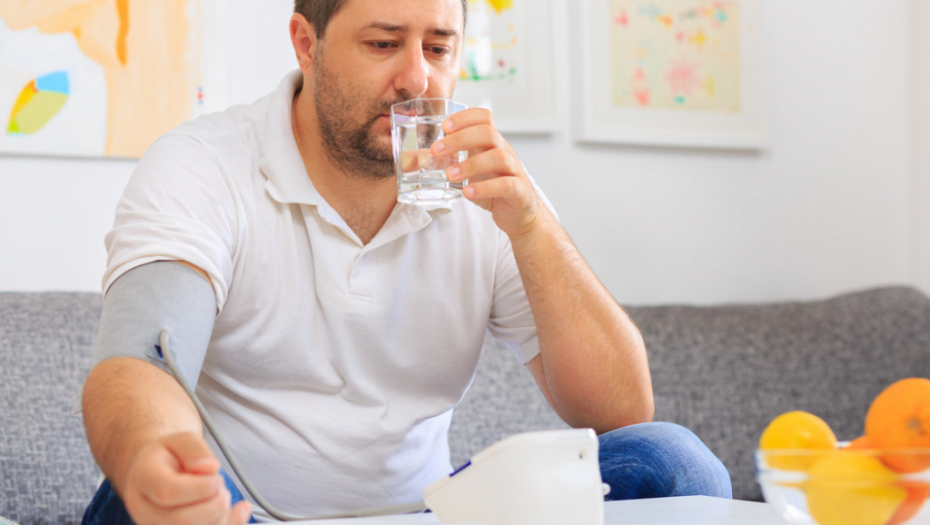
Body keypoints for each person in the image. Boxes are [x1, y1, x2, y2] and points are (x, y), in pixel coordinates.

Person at [79, 0, 732, 523]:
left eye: (438, 49)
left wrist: (533, 225)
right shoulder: (204, 166)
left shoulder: (486, 189)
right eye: (383, 43)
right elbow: (138, 363)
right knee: (143, 488)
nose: (417, 80)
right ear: (307, 44)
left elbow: (622, 409)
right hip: (238, 511)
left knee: (670, 458)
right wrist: (156, 457)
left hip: (423, 515)